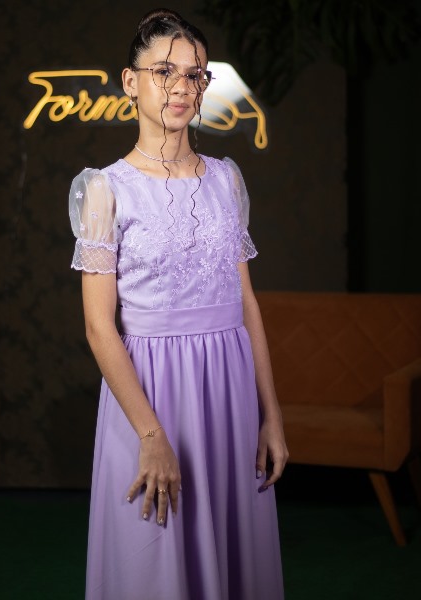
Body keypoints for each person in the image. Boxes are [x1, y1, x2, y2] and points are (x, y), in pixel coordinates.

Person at [69, 8, 288, 600]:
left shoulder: (227, 180)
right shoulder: (104, 189)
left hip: (228, 392)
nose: (180, 87)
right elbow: (98, 327)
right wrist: (150, 435)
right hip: (151, 395)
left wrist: (271, 414)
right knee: (156, 561)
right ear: (130, 81)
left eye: (194, 75)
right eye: (164, 71)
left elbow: (246, 304)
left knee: (234, 552)